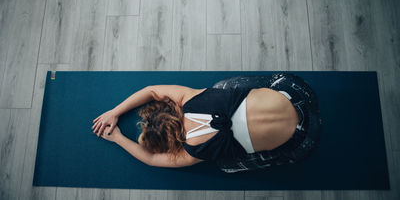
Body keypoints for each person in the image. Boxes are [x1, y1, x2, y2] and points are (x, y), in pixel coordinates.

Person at [92, 73, 322, 173]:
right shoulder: (189, 98)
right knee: (221, 87)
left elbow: (151, 159)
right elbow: (152, 91)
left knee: (224, 165)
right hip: (298, 91)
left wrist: (118, 139)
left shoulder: (193, 151)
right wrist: (115, 111)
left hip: (305, 139)